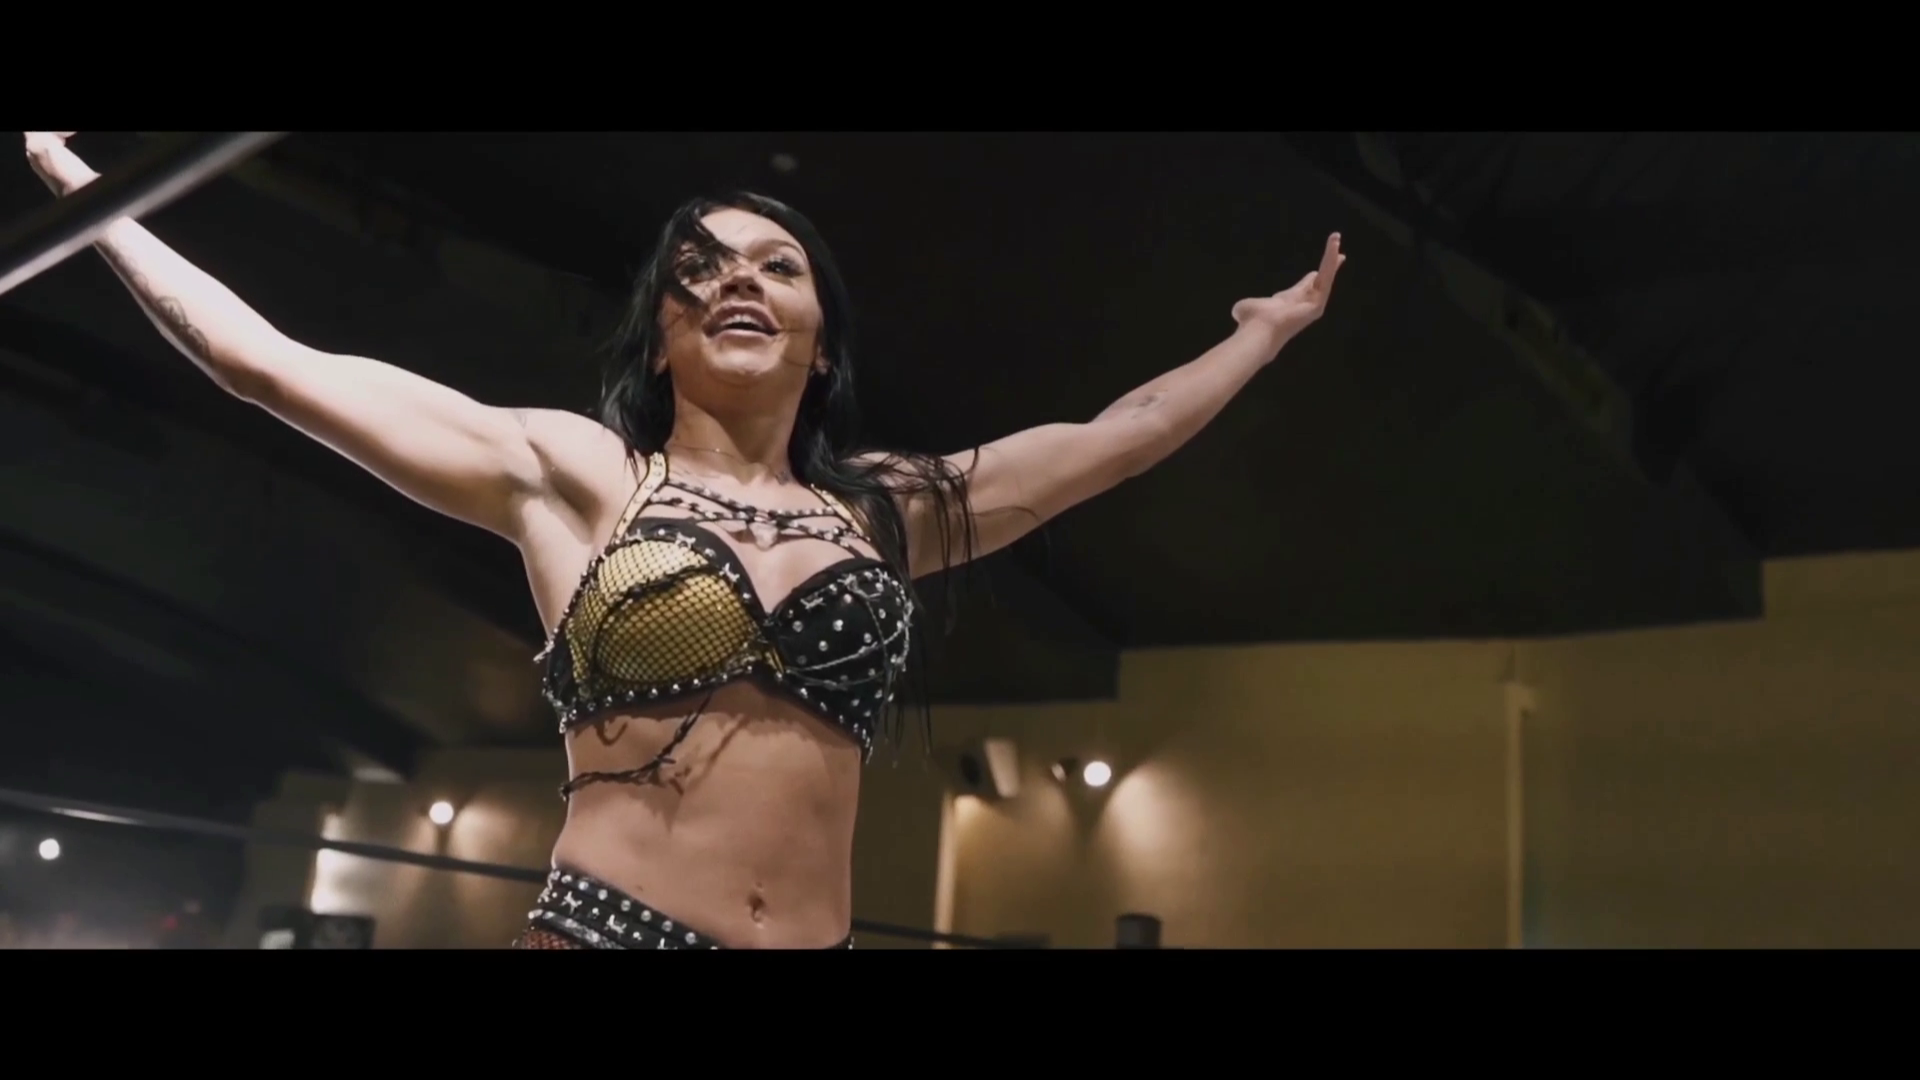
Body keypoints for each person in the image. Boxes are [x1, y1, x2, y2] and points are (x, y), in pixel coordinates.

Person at [21, 132, 1346, 950]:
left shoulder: (882, 511)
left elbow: (1118, 439)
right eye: (699, 271)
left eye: (775, 265)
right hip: (611, 935)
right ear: (661, 339)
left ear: (821, 335)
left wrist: (1260, 336)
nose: (737, 281)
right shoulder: (574, 474)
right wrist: (79, 186)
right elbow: (266, 364)